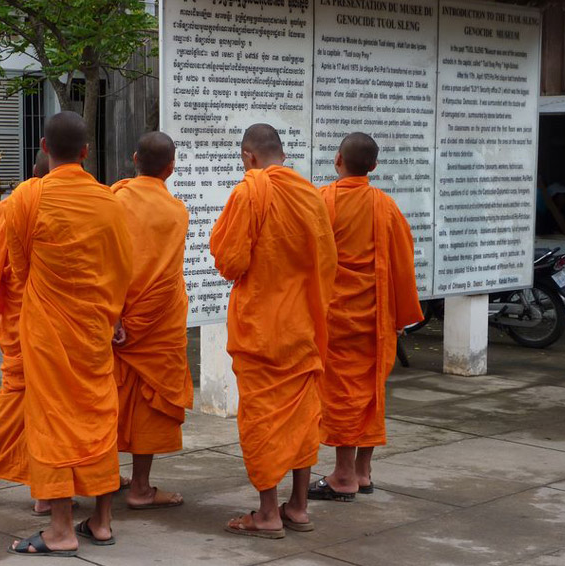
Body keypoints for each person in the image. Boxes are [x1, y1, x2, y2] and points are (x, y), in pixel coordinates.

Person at [4, 112, 133, 556]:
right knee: (97, 415)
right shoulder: (109, 200)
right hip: (95, 325)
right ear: (85, 152)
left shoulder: (27, 198)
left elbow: (18, 267)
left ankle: (60, 529)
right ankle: (101, 520)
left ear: (42, 146)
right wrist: (112, 316)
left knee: (53, 419)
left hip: (47, 328)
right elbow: (120, 268)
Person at [210, 124, 337, 539]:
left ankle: (266, 513)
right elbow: (326, 262)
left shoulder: (250, 191)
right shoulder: (311, 195)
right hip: (302, 324)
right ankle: (298, 507)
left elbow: (229, 261)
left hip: (262, 328)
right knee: (302, 416)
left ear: (249, 156)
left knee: (262, 417)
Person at [309, 132, 423, 502]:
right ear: (373, 167)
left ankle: (343, 476)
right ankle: (363, 471)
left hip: (336, 317)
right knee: (370, 391)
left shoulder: (323, 201)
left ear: (337, 159)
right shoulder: (385, 206)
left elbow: (306, 257)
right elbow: (403, 261)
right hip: (376, 319)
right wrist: (402, 313)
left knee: (343, 394)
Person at [0, 151, 57, 516]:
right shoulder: (59, 208)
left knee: (14, 398)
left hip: (18, 320)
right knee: (51, 405)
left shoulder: (3, 212)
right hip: (54, 323)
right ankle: (43, 492)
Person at [111, 132, 193, 510]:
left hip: (114, 319)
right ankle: (141, 487)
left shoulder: (114, 200)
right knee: (150, 404)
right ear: (171, 167)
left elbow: (105, 262)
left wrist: (114, 315)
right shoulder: (177, 212)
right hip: (157, 323)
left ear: (133, 158)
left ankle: (107, 475)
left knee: (108, 399)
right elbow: (165, 273)